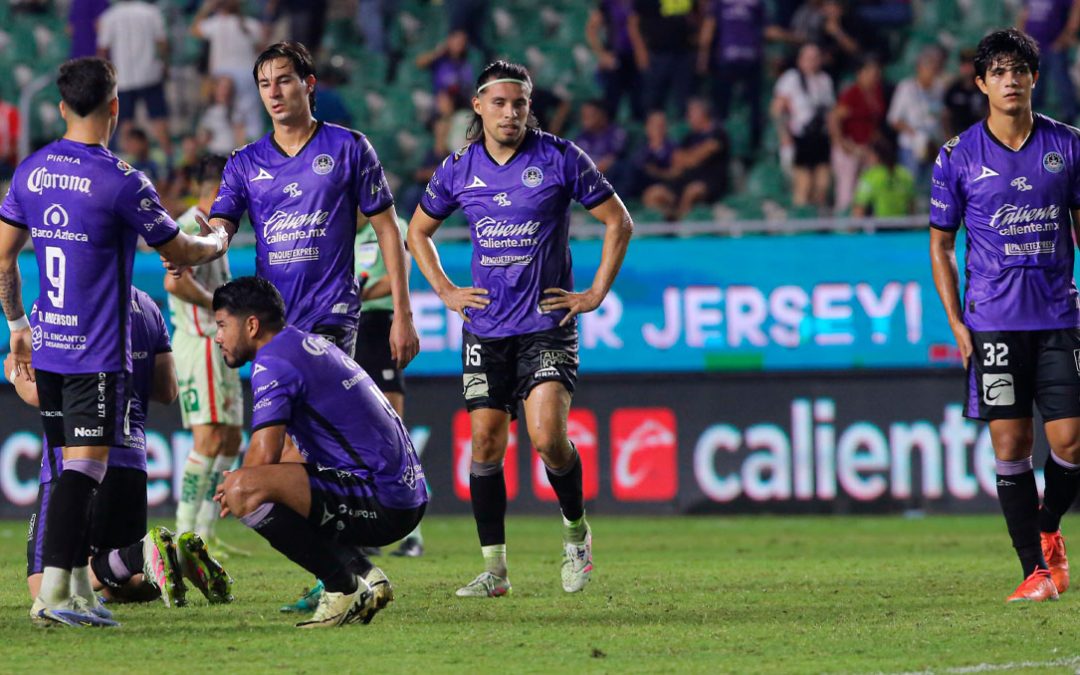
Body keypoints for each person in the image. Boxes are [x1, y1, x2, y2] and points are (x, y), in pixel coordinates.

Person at [0, 56, 233, 628]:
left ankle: (79, 590)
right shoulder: (122, 180)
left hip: (48, 344)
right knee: (86, 470)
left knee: (65, 464)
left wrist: (16, 327)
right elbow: (178, 251)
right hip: (93, 351)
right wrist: (219, 241)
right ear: (115, 107)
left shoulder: (30, 171)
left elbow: (3, 256)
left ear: (60, 107)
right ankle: (54, 593)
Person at [408, 61, 633, 597]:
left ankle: (576, 536)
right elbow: (418, 231)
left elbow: (618, 220)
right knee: (485, 441)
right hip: (486, 326)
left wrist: (595, 293)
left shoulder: (559, 157)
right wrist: (445, 291)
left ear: (530, 108)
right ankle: (495, 570)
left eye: (521, 103)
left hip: (546, 323)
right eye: (501, 103)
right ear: (479, 107)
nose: (511, 113)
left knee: (547, 438)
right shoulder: (459, 167)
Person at [929, 28, 1080, 603]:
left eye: (1019, 69)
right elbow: (941, 245)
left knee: (1071, 443)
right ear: (980, 84)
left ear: (1034, 78)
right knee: (1012, 447)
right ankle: (1035, 572)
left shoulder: (1068, 146)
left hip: (1058, 316)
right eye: (997, 71)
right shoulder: (957, 156)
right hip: (992, 321)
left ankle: (1047, 530)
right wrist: (956, 321)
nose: (1009, 79)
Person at [212, 277, 428, 628]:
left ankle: (342, 588)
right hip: (402, 494)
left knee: (244, 491)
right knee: (278, 479)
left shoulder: (273, 364)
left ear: (251, 325)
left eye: (222, 325)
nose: (218, 336)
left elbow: (263, 458)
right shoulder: (302, 344)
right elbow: (291, 453)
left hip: (384, 499)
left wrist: (236, 485)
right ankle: (366, 575)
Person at [14, 287, 233, 609]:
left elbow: (41, 395)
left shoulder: (57, 300)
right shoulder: (148, 306)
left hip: (75, 461)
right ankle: (176, 557)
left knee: (44, 587)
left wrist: (15, 374)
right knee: (120, 587)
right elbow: (167, 390)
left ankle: (141, 552)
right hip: (132, 460)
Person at [206, 41, 418, 369]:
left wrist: (403, 315)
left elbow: (388, 230)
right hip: (272, 322)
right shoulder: (244, 162)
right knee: (279, 422)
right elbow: (219, 233)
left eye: (284, 80)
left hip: (332, 314)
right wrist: (194, 249)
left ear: (309, 84)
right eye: (265, 84)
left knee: (318, 413)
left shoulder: (350, 146)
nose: (273, 92)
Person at [166, 154, 245, 549]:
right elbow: (175, 284)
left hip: (219, 346)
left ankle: (207, 531)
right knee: (208, 439)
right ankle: (185, 531)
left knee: (230, 439)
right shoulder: (186, 228)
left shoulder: (214, 232)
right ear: (214, 190)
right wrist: (218, 304)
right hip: (199, 343)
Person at [96, 0, 173, 160]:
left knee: (125, 122)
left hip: (122, 76)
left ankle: (125, 162)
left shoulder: (109, 16)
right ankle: (169, 158)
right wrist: (165, 64)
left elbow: (103, 49)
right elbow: (162, 43)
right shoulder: (151, 12)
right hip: (150, 73)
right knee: (158, 118)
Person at [771, 42, 835, 210]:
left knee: (823, 184)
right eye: (808, 58)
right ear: (800, 60)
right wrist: (784, 135)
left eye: (816, 58)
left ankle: (819, 220)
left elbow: (829, 111)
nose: (812, 62)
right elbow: (777, 109)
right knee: (803, 183)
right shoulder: (791, 78)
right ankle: (799, 221)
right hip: (800, 136)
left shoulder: (825, 80)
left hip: (820, 135)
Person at [1019, 0, 1080, 124]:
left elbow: (1076, 7)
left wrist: (1067, 35)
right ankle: (1031, 118)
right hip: (1034, 45)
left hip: (1054, 45)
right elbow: (1024, 13)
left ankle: (1070, 117)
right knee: (1035, 85)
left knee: (1061, 81)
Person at [850, 136, 914, 218]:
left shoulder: (870, 176)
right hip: (904, 228)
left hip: (879, 228)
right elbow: (912, 207)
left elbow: (858, 211)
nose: (866, 159)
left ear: (876, 156)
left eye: (869, 155)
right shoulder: (905, 174)